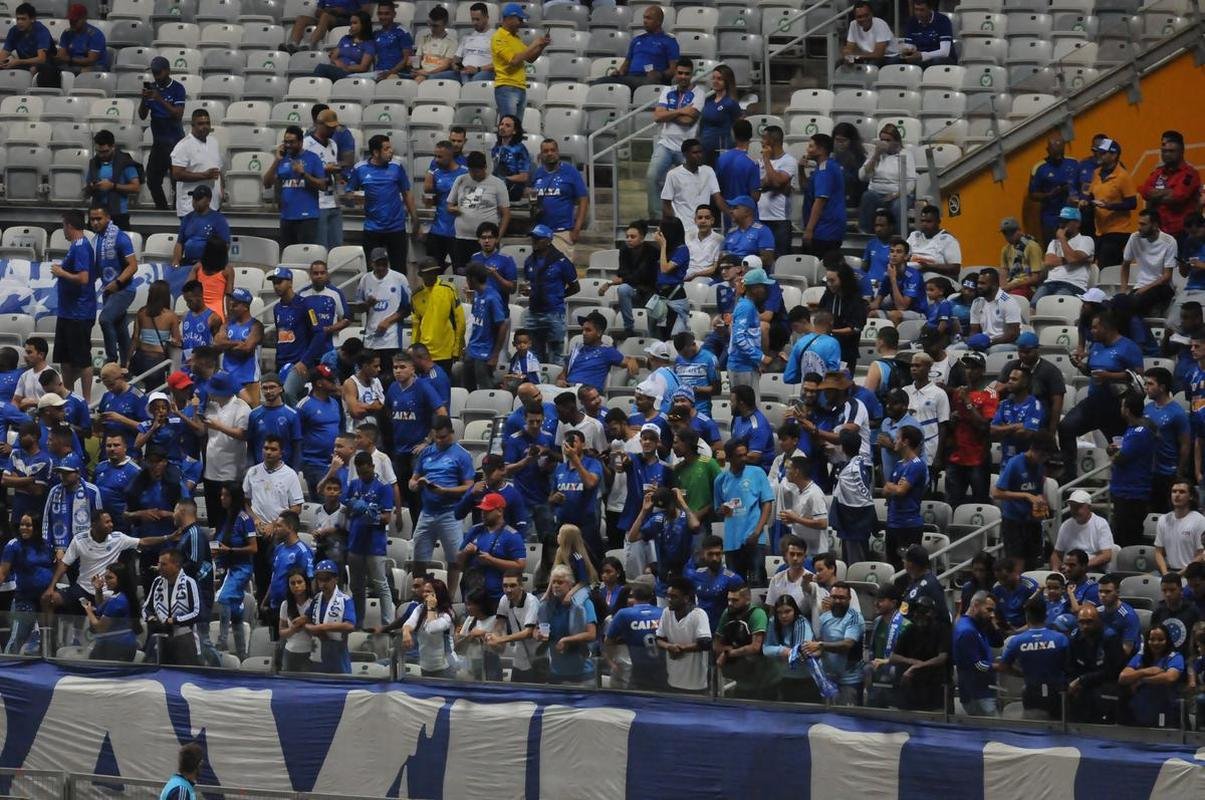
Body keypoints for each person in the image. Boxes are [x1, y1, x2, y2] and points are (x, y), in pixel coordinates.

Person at [1058, 310, 1143, 481]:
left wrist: (1109, 376)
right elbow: (1092, 371)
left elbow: (1138, 376)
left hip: (1117, 406)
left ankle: (1122, 481)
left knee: (1120, 448)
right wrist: (1080, 365)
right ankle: (1069, 475)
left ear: (1107, 327)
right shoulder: (1097, 346)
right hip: (1094, 402)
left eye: (1095, 328)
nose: (1092, 332)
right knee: (1066, 427)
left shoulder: (1128, 347)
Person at [410, 416, 474, 592]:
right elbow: (413, 479)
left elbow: (469, 487)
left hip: (450, 513)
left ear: (452, 433)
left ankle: (451, 598)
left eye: (444, 437)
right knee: (418, 559)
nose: (440, 440)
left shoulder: (462, 455)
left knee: (454, 560)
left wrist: (444, 491)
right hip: (427, 512)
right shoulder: (426, 452)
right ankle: (420, 594)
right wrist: (415, 484)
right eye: (437, 437)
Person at [346, 134, 417, 277]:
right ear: (375, 152)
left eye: (390, 147)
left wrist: (415, 218)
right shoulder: (360, 169)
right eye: (386, 149)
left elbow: (407, 193)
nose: (390, 151)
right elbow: (349, 193)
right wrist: (354, 198)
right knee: (372, 271)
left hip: (396, 227)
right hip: (372, 228)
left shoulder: (397, 167)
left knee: (399, 271)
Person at [647, 58, 703, 219]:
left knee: (690, 185)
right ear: (675, 74)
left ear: (692, 75)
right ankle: (657, 218)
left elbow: (689, 121)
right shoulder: (667, 90)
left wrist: (669, 113)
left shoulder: (699, 94)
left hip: (686, 149)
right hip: (665, 144)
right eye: (680, 73)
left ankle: (688, 218)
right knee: (652, 177)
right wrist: (681, 111)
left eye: (686, 74)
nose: (683, 76)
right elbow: (657, 116)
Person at [713, 438, 774, 584]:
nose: (743, 459)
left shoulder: (757, 473)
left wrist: (757, 532)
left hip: (754, 538)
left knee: (757, 582)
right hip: (731, 542)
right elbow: (718, 509)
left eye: (745, 454)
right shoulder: (720, 480)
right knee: (735, 585)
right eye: (739, 456)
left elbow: (767, 503)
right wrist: (721, 510)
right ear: (728, 458)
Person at [996, 599, 1069, 719]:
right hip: (1057, 691)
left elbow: (1003, 666)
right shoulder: (1060, 639)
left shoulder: (1017, 641)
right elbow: (1068, 665)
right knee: (1060, 729)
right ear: (1046, 615)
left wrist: (1021, 674)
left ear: (1027, 616)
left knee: (1034, 730)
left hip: (1032, 690)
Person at [992, 432, 1055, 570]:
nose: (1044, 459)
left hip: (1032, 521)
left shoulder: (1040, 467)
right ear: (1035, 450)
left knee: (1033, 563)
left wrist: (1040, 502)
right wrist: (1025, 496)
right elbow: (997, 493)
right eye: (1043, 456)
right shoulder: (1014, 464)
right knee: (1017, 565)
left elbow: (1037, 492)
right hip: (1014, 522)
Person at [521, 225, 580, 366]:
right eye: (533, 238)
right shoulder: (529, 261)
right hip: (534, 312)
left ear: (548, 241)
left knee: (556, 355)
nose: (534, 241)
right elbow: (528, 283)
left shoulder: (561, 261)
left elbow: (575, 287)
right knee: (533, 353)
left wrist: (559, 296)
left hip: (554, 314)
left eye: (538, 238)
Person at [89, 206, 139, 367]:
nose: (95, 223)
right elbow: (98, 268)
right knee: (121, 330)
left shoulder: (121, 237)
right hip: (109, 291)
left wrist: (117, 283)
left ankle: (111, 359)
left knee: (105, 319)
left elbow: (133, 266)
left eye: (99, 219)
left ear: (108, 218)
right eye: (92, 219)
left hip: (124, 289)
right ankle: (126, 366)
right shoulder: (96, 240)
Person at [263, 126, 327, 247]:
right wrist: (276, 160)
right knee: (287, 254)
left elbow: (323, 185)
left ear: (301, 142)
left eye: (291, 142)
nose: (288, 145)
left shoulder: (313, 158)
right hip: (286, 216)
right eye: (285, 142)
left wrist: (303, 173)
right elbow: (267, 183)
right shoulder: (281, 159)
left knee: (304, 255)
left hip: (308, 217)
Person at [456, 492, 526, 604]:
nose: (483, 514)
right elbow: (458, 563)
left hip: (497, 596)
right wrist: (465, 553)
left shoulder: (512, 535)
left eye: (487, 511)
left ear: (499, 511)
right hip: (473, 593)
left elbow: (520, 566)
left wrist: (491, 560)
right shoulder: (475, 530)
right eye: (482, 510)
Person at [447, 152, 510, 273]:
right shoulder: (461, 180)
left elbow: (506, 214)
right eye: (472, 171)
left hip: (486, 239)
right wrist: (453, 209)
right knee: (461, 273)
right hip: (462, 238)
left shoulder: (497, 183)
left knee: (484, 275)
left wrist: (498, 237)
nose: (474, 175)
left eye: (477, 171)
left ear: (485, 167)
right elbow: (449, 205)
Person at [138, 56, 186, 210]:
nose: (156, 76)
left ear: (168, 71)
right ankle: (163, 209)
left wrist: (159, 99)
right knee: (152, 180)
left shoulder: (178, 88)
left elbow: (178, 114)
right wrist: (143, 100)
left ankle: (178, 211)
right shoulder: (152, 88)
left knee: (177, 181)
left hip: (175, 142)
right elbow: (142, 115)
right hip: (159, 142)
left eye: (158, 72)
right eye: (154, 72)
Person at [1109, 391, 1156, 548]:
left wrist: (1113, 454)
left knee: (1128, 538)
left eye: (1122, 406)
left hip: (1131, 492)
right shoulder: (1132, 429)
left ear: (1127, 410)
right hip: (1125, 490)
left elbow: (1120, 458)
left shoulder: (1139, 432)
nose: (1120, 409)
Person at [1083, 137, 1137, 270]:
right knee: (1107, 266)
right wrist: (1086, 201)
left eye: (1103, 153)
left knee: (1105, 266)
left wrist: (1110, 206)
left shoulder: (1123, 176)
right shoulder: (1097, 173)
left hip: (1117, 230)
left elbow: (1132, 203)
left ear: (1114, 155)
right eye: (1098, 152)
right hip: (1100, 230)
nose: (1098, 156)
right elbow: (1091, 194)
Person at [530, 138, 589, 262]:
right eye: (546, 151)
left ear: (558, 152)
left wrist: (577, 228)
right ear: (540, 155)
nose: (550, 153)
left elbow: (583, 199)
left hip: (562, 231)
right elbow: (533, 197)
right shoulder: (537, 174)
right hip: (541, 232)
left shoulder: (570, 172)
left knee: (562, 272)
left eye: (553, 150)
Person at [593, 4, 678, 89]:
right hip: (630, 77)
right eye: (644, 18)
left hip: (649, 79)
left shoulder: (669, 41)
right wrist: (619, 72)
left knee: (647, 83)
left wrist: (660, 74)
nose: (644, 21)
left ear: (659, 21)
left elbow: (674, 69)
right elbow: (626, 64)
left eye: (648, 18)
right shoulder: (637, 39)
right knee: (599, 82)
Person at [354, 248, 412, 372]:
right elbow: (358, 308)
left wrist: (388, 321)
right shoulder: (365, 279)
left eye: (384, 264)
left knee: (389, 374)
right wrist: (367, 304)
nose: (381, 267)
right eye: (378, 264)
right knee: (371, 374)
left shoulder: (399, 278)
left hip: (391, 339)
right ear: (371, 264)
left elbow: (408, 308)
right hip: (371, 338)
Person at [1066, 604, 1127, 723]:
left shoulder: (1110, 637)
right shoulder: (1075, 638)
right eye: (1081, 622)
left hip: (1106, 682)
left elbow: (1113, 671)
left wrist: (1082, 680)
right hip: (1083, 682)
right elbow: (1070, 666)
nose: (1085, 626)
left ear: (1098, 621)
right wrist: (1071, 682)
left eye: (1089, 622)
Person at [142, 549, 202, 665]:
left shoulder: (189, 583)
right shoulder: (157, 582)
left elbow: (197, 613)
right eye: (159, 564)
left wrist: (174, 620)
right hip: (161, 638)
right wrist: (150, 618)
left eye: (163, 564)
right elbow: (146, 608)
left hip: (184, 638)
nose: (159, 567)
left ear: (176, 565)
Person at [1139, 130, 1202, 242]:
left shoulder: (1190, 173)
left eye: (1171, 151)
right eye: (1164, 151)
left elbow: (1178, 197)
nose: (1167, 155)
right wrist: (1168, 192)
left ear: (1181, 151)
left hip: (1183, 234)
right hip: (1160, 232)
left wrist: (1155, 194)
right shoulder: (1158, 173)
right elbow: (1144, 191)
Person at [490, 3, 549, 120]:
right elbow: (514, 60)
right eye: (520, 19)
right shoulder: (498, 37)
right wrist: (534, 44)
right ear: (510, 18)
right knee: (508, 127)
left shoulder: (515, 38)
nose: (522, 23)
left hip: (520, 87)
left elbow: (530, 58)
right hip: (506, 87)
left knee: (516, 129)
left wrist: (541, 46)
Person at [1119, 623, 1185, 727]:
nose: (1156, 643)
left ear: (1167, 641)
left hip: (1164, 709)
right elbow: (1123, 677)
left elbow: (1170, 677)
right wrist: (1146, 671)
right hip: (1138, 710)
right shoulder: (1141, 656)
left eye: (1160, 639)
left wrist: (1141, 680)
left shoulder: (1175, 657)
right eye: (1152, 639)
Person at [657, 576, 712, 694]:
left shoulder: (698, 615)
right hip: (673, 678)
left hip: (696, 683)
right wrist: (668, 647)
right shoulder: (666, 613)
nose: (669, 600)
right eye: (668, 596)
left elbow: (705, 643)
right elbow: (659, 639)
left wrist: (682, 648)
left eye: (674, 597)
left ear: (686, 598)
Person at [714, 586, 771, 699]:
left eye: (735, 600)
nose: (730, 603)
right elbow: (716, 644)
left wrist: (727, 653)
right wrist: (725, 650)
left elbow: (755, 647)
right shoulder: (727, 613)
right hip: (740, 676)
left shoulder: (757, 614)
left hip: (763, 677)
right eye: (729, 599)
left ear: (747, 599)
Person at [858, 124, 916, 233]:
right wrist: (876, 156)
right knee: (867, 197)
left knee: (898, 206)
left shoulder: (906, 155)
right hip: (876, 193)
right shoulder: (875, 154)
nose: (884, 143)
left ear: (896, 142)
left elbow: (911, 183)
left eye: (888, 140)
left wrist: (896, 194)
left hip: (898, 194)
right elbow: (862, 176)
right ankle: (865, 234)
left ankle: (901, 238)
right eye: (882, 140)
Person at [410, 259, 465, 374]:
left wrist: (457, 349)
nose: (431, 275)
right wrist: (413, 349)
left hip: (446, 351)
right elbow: (416, 326)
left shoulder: (449, 289)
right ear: (421, 274)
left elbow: (460, 321)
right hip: (424, 352)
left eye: (434, 272)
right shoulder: (416, 295)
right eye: (428, 272)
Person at [1120, 208, 1178, 317]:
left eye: (1143, 224)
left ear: (1155, 225)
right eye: (1139, 224)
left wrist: (1144, 289)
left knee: (1134, 304)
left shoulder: (1169, 241)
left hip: (1162, 287)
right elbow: (1125, 265)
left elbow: (1167, 276)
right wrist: (1123, 292)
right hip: (1141, 286)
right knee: (1119, 302)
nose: (1139, 228)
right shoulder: (1134, 237)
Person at [660, 140, 724, 236]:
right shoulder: (673, 175)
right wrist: (671, 228)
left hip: (704, 228)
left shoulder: (709, 171)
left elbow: (718, 198)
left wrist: (731, 214)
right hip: (684, 230)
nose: (699, 155)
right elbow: (666, 204)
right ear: (685, 154)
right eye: (695, 153)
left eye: (700, 152)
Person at [953, 590, 1002, 716]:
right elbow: (976, 665)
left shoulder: (977, 625)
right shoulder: (967, 631)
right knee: (992, 732)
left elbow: (998, 641)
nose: (992, 615)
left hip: (984, 691)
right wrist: (1000, 667)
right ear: (975, 605)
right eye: (989, 610)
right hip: (977, 695)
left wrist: (993, 623)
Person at [1029, 134, 1080, 246]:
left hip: (1072, 216)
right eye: (1055, 153)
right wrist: (1049, 194)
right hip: (1051, 217)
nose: (1058, 157)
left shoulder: (1074, 163)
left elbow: (1083, 185)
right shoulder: (1040, 168)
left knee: (1074, 248)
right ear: (1048, 150)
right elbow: (1033, 195)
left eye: (1061, 153)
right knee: (1053, 250)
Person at [170, 109, 222, 219]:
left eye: (207, 123)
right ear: (192, 125)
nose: (205, 126)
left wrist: (221, 191)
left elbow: (218, 170)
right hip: (191, 208)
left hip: (213, 205)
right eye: (200, 124)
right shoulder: (183, 145)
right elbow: (177, 174)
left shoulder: (214, 142)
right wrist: (204, 175)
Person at [801, 133, 846, 256]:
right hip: (826, 229)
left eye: (811, 146)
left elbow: (820, 200)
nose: (807, 149)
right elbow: (806, 188)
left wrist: (809, 230)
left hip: (825, 230)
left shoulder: (825, 169)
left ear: (821, 149)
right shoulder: (825, 167)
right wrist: (801, 169)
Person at [86, 130, 140, 231]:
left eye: (105, 151)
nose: (101, 155)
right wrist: (92, 187)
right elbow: (87, 189)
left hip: (118, 214)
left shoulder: (124, 162)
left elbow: (136, 187)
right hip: (96, 214)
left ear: (113, 147)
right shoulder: (93, 163)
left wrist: (112, 186)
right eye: (98, 152)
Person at [1050, 490, 1116, 571]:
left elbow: (1106, 555)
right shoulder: (1066, 525)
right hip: (1071, 567)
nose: (1074, 510)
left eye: (1078, 506)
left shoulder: (1100, 524)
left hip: (1094, 568)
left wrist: (1081, 566)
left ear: (1089, 507)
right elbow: (1057, 553)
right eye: (1072, 506)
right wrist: (1055, 569)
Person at [869, 238, 927, 323]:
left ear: (906, 256)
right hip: (898, 312)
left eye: (898, 252)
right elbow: (876, 303)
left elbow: (902, 307)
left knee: (894, 315)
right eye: (892, 251)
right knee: (872, 314)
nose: (894, 255)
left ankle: (891, 336)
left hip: (918, 314)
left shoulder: (914, 275)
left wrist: (893, 279)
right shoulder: (889, 274)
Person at [1155, 478, 1205, 574]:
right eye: (1174, 492)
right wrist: (1165, 573)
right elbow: (1158, 552)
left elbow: (1201, 554)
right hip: (1167, 571)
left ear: (1190, 496)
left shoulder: (1200, 520)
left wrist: (1180, 574)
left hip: (1191, 573)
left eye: (1182, 492)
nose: (1177, 495)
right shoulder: (1163, 519)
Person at [0, 4, 57, 86]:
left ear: (32, 19)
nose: (19, 22)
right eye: (18, 19)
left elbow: (41, 59)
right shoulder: (13, 31)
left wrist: (18, 62)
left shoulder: (42, 31)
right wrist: (2, 63)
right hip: (24, 63)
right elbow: (3, 55)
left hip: (45, 64)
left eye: (23, 19)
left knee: (40, 68)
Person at [966, 268, 1021, 353]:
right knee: (956, 348)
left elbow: (1013, 334)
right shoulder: (977, 302)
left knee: (992, 351)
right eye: (978, 283)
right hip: (984, 343)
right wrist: (973, 343)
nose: (978, 286)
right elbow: (974, 330)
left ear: (994, 285)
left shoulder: (1008, 302)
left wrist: (990, 343)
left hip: (1005, 343)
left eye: (983, 283)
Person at [1152, 573, 1200, 658]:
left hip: (1187, 660)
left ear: (1181, 590)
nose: (1168, 594)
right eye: (1164, 590)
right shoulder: (1158, 612)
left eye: (1172, 590)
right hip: (1164, 660)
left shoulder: (1193, 612)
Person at [277, 568, 314, 672]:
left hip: (310, 653)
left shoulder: (314, 603)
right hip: (290, 653)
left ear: (306, 583)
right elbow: (282, 632)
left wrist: (304, 624)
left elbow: (319, 631)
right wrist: (293, 629)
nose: (296, 586)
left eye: (299, 582)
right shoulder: (285, 605)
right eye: (292, 583)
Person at [900, 0, 957, 66]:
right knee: (895, 60)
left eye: (922, 10)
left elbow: (945, 52)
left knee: (936, 61)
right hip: (919, 57)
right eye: (916, 9)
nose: (918, 13)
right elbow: (909, 46)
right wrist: (907, 52)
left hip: (941, 58)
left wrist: (922, 55)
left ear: (930, 9)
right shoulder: (911, 22)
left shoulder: (943, 20)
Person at [370, 0, 413, 81]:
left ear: (394, 14)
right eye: (380, 13)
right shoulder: (376, 33)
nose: (383, 17)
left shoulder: (402, 33)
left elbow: (407, 58)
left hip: (397, 73)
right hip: (378, 73)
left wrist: (390, 72)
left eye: (387, 13)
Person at [491, 114, 530, 203]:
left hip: (513, 189)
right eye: (501, 124)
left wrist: (505, 179)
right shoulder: (495, 148)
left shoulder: (520, 149)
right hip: (496, 188)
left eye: (507, 125)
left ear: (514, 131)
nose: (502, 127)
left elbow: (524, 177)